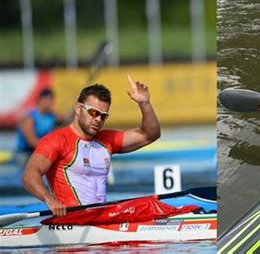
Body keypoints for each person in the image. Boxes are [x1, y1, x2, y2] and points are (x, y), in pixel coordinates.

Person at [22, 75, 161, 216]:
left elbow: (150, 134)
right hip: (69, 222)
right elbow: (29, 175)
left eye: (103, 115)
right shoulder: (56, 140)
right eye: (93, 113)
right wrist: (50, 201)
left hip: (99, 219)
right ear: (78, 109)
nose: (98, 119)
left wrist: (145, 104)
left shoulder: (107, 140)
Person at [15, 88, 62, 163]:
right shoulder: (30, 117)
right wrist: (50, 148)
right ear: (40, 100)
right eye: (47, 100)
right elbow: (31, 141)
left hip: (42, 150)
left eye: (51, 101)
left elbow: (65, 120)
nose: (49, 103)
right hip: (26, 153)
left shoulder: (52, 116)